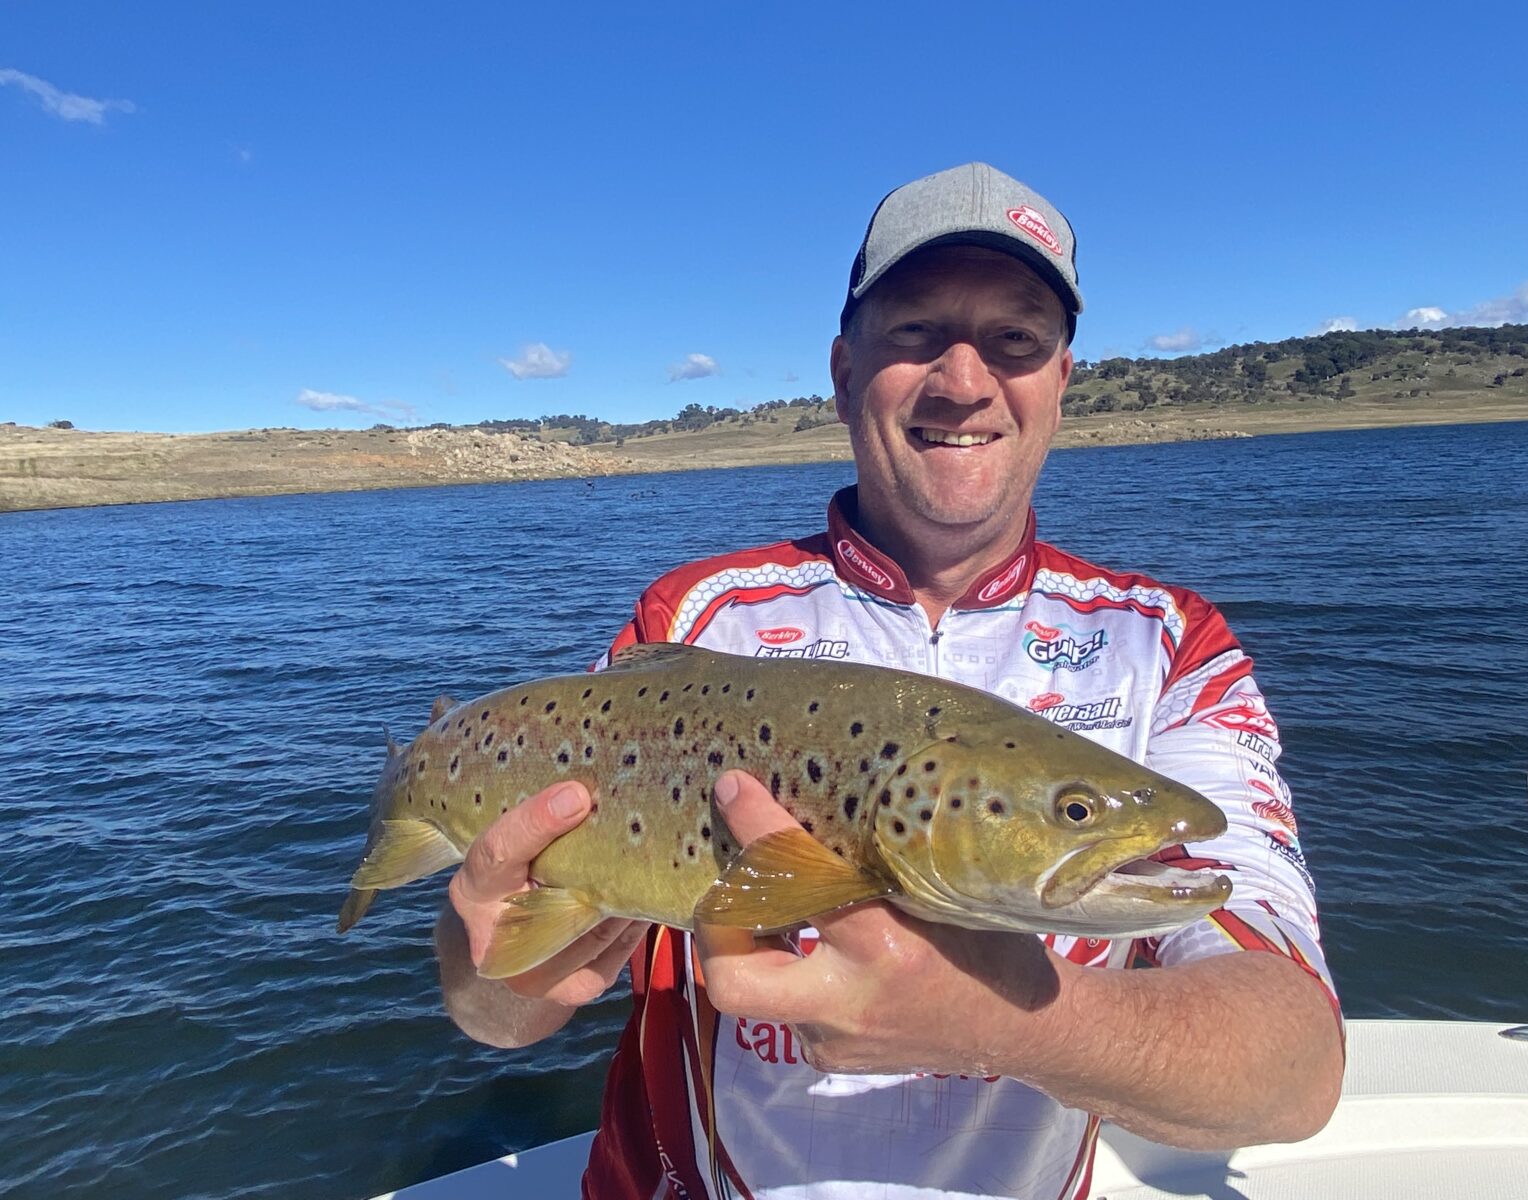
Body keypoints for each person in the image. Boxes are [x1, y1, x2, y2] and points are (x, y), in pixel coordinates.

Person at [434, 162, 1344, 1199]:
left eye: (1015, 339)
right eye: (914, 331)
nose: (963, 381)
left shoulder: (1173, 649)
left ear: (1061, 382)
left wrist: (1007, 1026)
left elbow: (1294, 1072)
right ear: (840, 369)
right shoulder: (687, 622)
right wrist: (494, 970)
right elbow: (499, 1013)